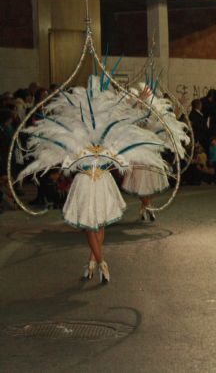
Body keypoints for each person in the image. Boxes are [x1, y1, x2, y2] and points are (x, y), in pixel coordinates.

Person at [16, 83, 167, 283]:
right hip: (89, 182)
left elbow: (124, 119)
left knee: (96, 223)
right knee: (91, 224)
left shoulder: (107, 130)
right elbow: (65, 156)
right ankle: (99, 260)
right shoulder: (75, 131)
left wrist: (139, 102)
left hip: (97, 181)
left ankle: (96, 261)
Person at [121, 82, 190, 221]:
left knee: (150, 183)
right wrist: (138, 101)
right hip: (138, 151)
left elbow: (169, 121)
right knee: (140, 183)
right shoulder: (131, 108)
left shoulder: (154, 110)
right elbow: (126, 118)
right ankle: (147, 206)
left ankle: (146, 206)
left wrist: (180, 106)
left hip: (152, 150)